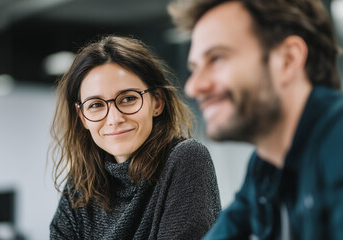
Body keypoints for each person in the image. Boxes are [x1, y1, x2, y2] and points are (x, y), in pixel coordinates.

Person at [168, 0, 343, 239]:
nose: (193, 87)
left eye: (217, 59)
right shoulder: (265, 165)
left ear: (288, 60)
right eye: (195, 68)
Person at [49, 35, 221, 240]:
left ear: (157, 102)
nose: (114, 119)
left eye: (128, 99)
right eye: (95, 105)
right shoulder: (81, 183)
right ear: (82, 117)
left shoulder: (186, 158)